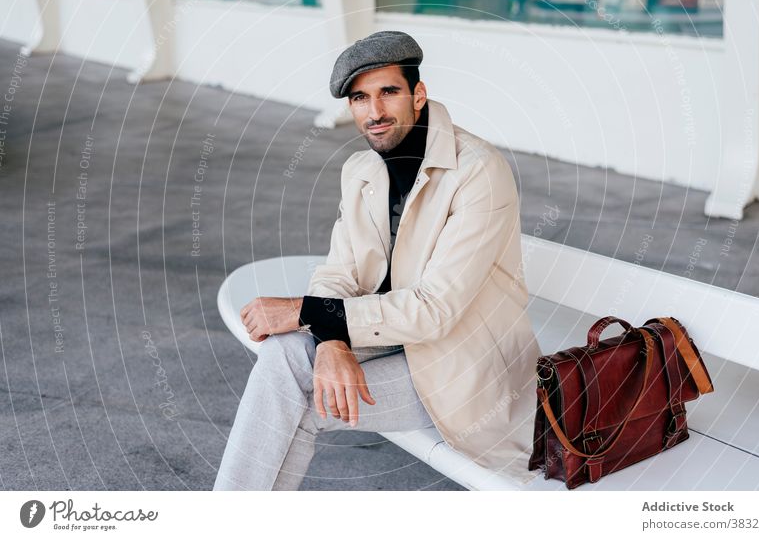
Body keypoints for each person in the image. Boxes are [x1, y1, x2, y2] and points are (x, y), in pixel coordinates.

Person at [213, 31, 542, 490]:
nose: (375, 112)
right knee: (284, 353)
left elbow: (434, 310)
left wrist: (307, 312)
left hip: (459, 367)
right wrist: (330, 340)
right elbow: (338, 272)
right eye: (360, 98)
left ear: (419, 95)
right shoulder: (361, 171)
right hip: (388, 336)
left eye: (388, 91)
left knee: (300, 406)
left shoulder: (478, 172)